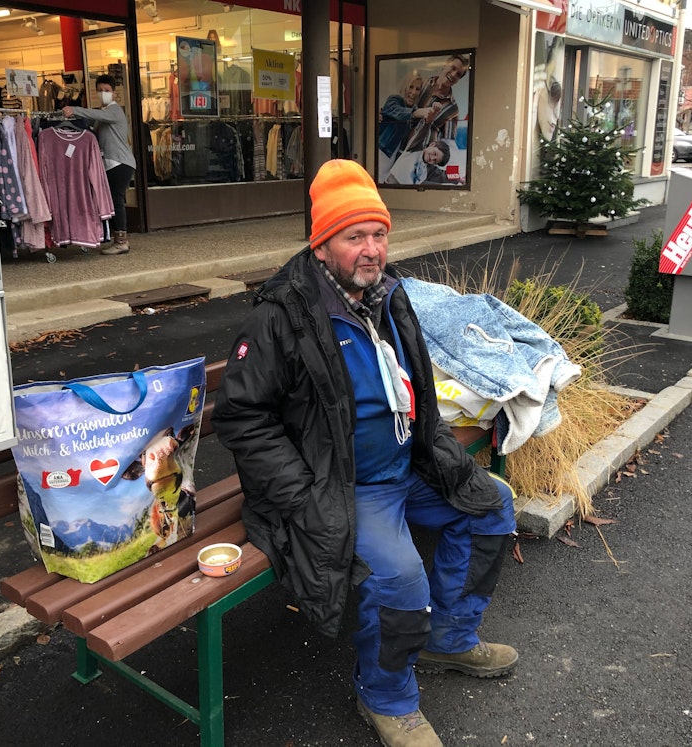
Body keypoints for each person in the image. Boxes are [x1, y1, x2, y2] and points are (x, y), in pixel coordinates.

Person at [213, 160, 517, 747]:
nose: (372, 249)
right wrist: (304, 497)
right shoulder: (283, 316)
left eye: (379, 234)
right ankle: (387, 698)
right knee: (401, 579)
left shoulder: (388, 296)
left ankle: (450, 638)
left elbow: (415, 386)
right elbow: (242, 417)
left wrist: (436, 448)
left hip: (409, 463)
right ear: (322, 245)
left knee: (492, 507)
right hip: (343, 486)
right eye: (354, 236)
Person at [63, 74, 137, 255]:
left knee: (116, 200)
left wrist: (74, 109)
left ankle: (121, 242)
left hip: (120, 162)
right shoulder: (104, 115)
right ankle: (117, 239)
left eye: (107, 90)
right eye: (100, 90)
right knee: (113, 200)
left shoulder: (114, 110)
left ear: (114, 93)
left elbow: (96, 114)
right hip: (112, 163)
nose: (103, 93)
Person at [402, 53, 470, 155]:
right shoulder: (421, 84)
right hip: (398, 145)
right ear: (445, 65)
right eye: (452, 68)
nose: (453, 74)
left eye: (458, 74)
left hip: (423, 155)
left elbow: (447, 143)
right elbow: (400, 104)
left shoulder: (452, 109)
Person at [377, 70, 424, 180]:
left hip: (395, 159)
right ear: (404, 87)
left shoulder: (414, 109)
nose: (413, 92)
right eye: (411, 87)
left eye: (417, 89)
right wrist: (416, 113)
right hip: (382, 153)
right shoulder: (394, 100)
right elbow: (398, 112)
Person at [384, 139, 452, 186]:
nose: (432, 158)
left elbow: (443, 174)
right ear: (432, 144)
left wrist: (456, 174)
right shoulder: (415, 149)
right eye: (434, 154)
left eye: (435, 161)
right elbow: (421, 133)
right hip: (390, 183)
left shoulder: (426, 171)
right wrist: (427, 124)